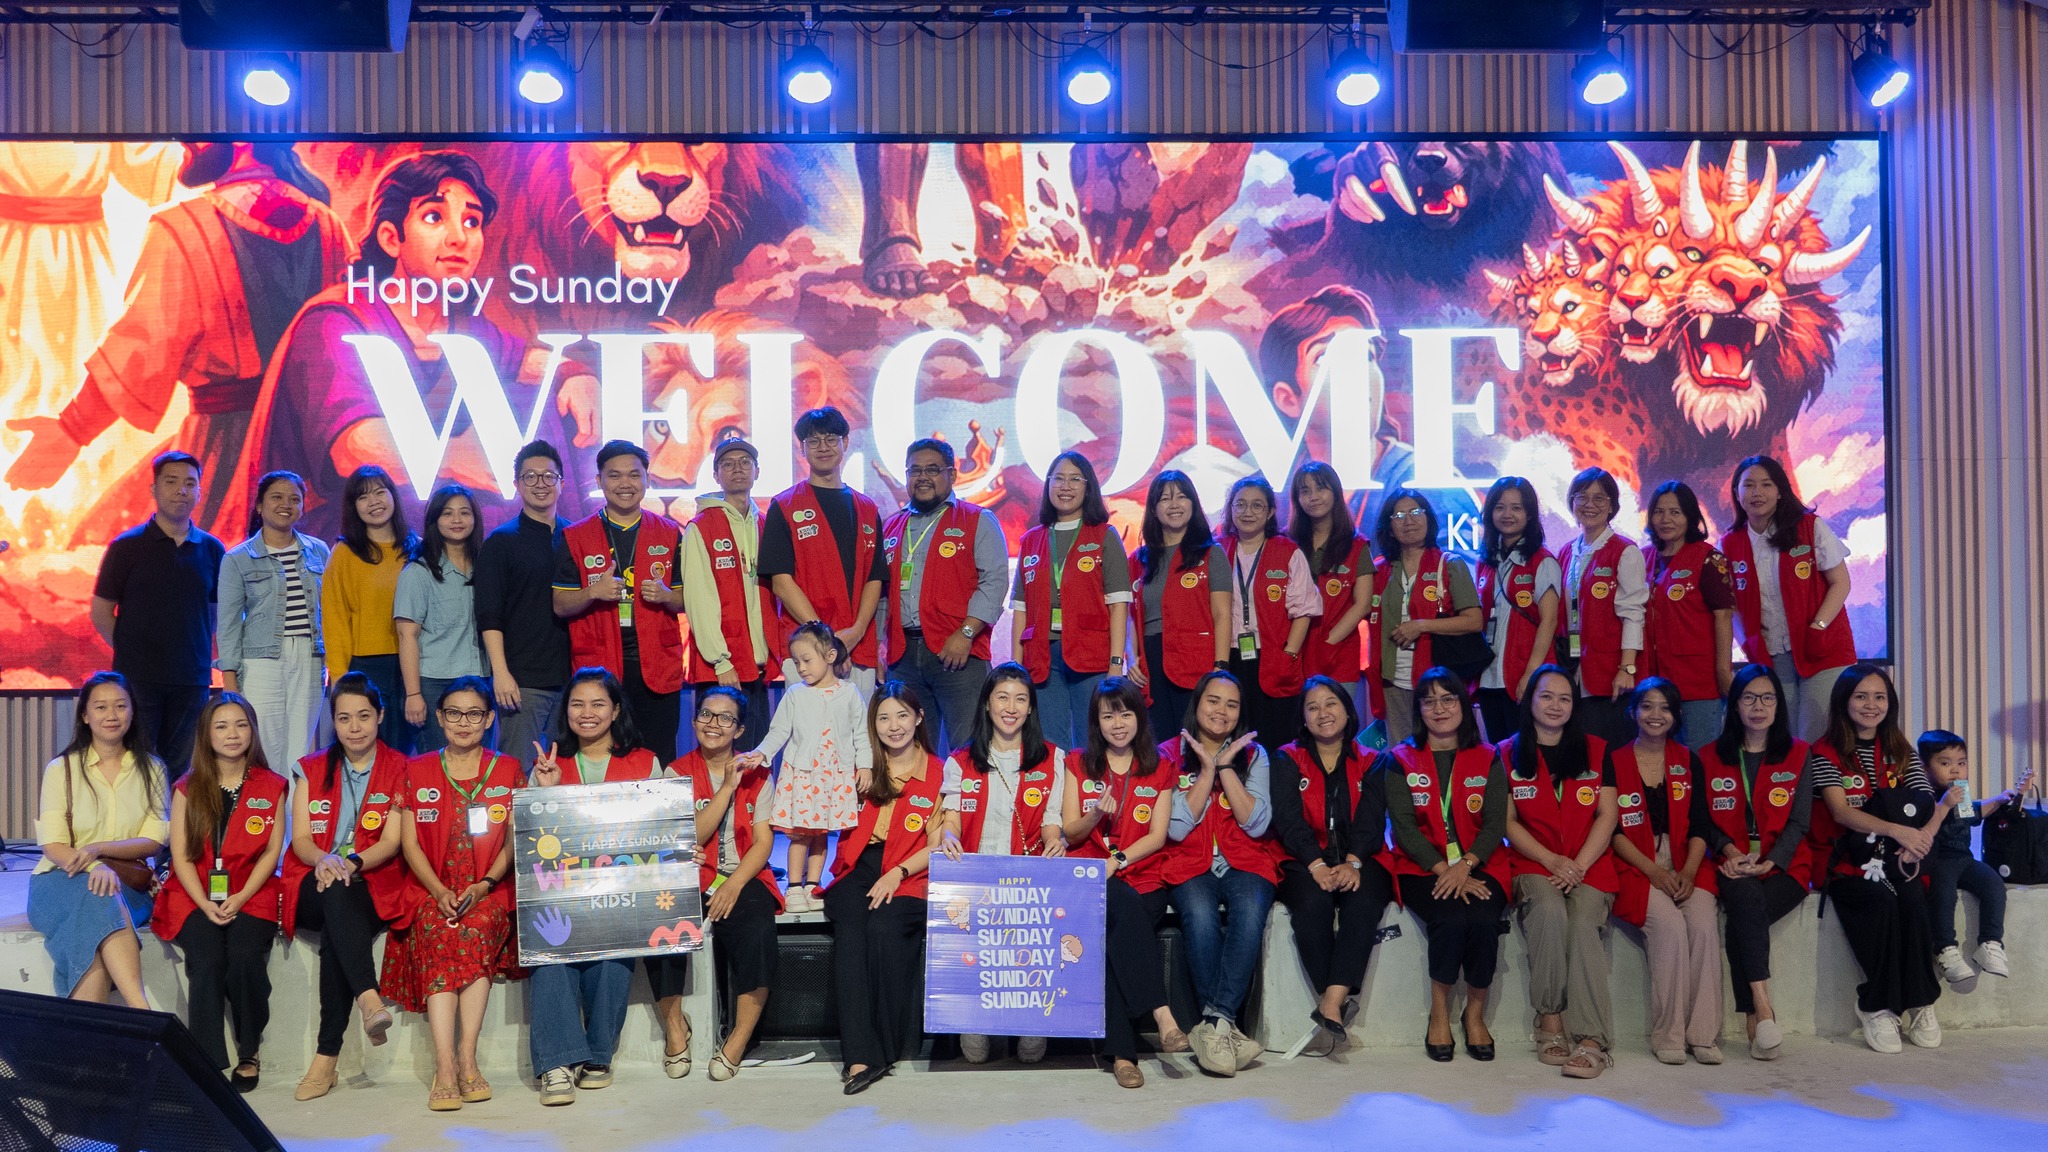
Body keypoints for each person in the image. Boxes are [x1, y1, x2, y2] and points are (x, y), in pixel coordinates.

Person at [4, 142, 353, 538]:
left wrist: (72, 429)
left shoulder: (182, 228)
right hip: (313, 457)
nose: (184, 141)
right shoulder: (330, 225)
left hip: (224, 456)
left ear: (240, 141)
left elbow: (141, 351)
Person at [245, 149, 592, 540]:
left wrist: (574, 375)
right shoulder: (336, 319)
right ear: (391, 238)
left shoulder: (464, 325)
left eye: (472, 221)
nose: (459, 237)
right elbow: (352, 449)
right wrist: (459, 459)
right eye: (434, 217)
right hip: (353, 535)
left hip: (441, 526)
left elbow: (528, 361)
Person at [525, 668, 675, 1103]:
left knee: (614, 950)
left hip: (622, 894)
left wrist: (685, 854)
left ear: (615, 711)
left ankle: (597, 1055)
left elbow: (664, 829)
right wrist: (547, 791)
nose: (586, 713)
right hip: (561, 893)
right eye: (577, 704)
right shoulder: (549, 765)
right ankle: (555, 1064)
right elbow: (533, 842)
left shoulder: (646, 763)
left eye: (597, 704)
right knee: (549, 949)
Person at [383, 677, 522, 1111]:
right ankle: (445, 1065)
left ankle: (467, 1057)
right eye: (455, 713)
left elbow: (513, 841)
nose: (464, 722)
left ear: (489, 718)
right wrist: (438, 889)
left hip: (488, 889)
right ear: (441, 719)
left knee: (476, 927)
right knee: (438, 928)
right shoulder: (417, 769)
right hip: (431, 889)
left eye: (474, 714)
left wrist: (486, 884)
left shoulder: (508, 769)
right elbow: (409, 844)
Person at [281, 674, 409, 1101]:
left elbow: (391, 842)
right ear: (332, 721)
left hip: (371, 882)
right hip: (312, 880)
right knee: (335, 892)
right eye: (344, 718)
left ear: (381, 716)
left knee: (339, 923)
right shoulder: (310, 768)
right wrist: (325, 859)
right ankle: (369, 998)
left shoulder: (400, 767)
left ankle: (326, 1059)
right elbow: (301, 839)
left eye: (364, 716)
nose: (354, 728)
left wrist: (351, 862)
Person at [1061, 678, 1192, 1088]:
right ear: (1096, 722)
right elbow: (1070, 832)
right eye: (1108, 716)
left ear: (1139, 717)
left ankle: (1121, 1055)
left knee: (1115, 937)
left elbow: (1157, 835)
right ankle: (1162, 1014)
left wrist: (1117, 860)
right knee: (1118, 908)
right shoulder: (1078, 763)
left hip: (1144, 876)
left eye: (1125, 713)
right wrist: (1095, 816)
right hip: (1090, 878)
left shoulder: (1161, 767)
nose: (1117, 724)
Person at [1805, 664, 1943, 1053]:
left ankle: (1920, 1001)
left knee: (1913, 899)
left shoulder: (1901, 750)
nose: (1871, 705)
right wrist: (1899, 830)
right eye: (1861, 696)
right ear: (1843, 701)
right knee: (1879, 900)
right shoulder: (1824, 752)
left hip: (1898, 856)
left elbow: (1925, 802)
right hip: (1845, 858)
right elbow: (1841, 812)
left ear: (1890, 703)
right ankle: (1877, 1005)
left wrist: (1916, 841)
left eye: (1879, 697)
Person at [153, 692, 287, 1090]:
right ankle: (207, 1060)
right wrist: (204, 904)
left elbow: (272, 852)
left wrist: (240, 898)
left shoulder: (273, 785)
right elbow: (180, 855)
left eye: (241, 725)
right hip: (193, 892)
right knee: (207, 958)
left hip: (251, 890)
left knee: (245, 954)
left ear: (253, 731)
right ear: (206, 734)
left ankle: (249, 1051)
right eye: (222, 726)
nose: (232, 734)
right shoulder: (187, 787)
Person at [937, 662, 1066, 1065]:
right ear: (987, 704)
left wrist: (1055, 840)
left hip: (1027, 878)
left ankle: (1031, 1022)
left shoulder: (1052, 758)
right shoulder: (960, 761)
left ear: (1031, 708)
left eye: (1020, 699)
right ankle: (974, 1020)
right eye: (1002, 697)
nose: (1011, 707)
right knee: (979, 952)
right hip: (976, 878)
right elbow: (952, 819)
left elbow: (1051, 819)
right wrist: (948, 836)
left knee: (1028, 951)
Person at [1382, 668, 1510, 1063]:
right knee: (1451, 918)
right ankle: (1439, 1012)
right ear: (1419, 710)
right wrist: (1445, 870)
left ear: (1463, 705)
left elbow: (1495, 823)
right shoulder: (1400, 758)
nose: (1439, 708)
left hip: (1481, 863)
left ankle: (1475, 1013)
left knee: (1484, 920)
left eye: (1448, 698)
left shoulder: (1488, 755)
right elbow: (1403, 828)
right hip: (1422, 867)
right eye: (1429, 701)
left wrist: (1466, 865)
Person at [1499, 666, 1618, 1078]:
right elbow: (1507, 821)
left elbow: (1607, 814)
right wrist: (1552, 861)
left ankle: (1591, 1039)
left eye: (1565, 698)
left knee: (1583, 923)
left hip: (1590, 864)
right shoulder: (1506, 753)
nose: (1555, 705)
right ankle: (1549, 1019)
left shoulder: (1597, 750)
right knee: (1549, 911)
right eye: (1546, 696)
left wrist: (1578, 865)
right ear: (1530, 700)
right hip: (1534, 863)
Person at [826, 682, 945, 1095]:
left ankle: (887, 1047)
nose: (894, 726)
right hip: (860, 865)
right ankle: (860, 1056)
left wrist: (898, 872)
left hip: (912, 869)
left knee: (884, 929)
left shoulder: (940, 772)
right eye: (883, 718)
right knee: (851, 933)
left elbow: (938, 844)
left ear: (919, 717)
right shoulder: (862, 766)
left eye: (902, 715)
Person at [1155, 670, 1275, 1077]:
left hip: (1246, 860)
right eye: (1213, 700)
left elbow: (1256, 824)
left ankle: (1214, 1022)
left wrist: (1226, 767)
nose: (1221, 711)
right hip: (1188, 861)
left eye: (1232, 704)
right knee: (1201, 915)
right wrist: (1206, 771)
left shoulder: (1254, 755)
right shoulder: (1167, 754)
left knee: (1251, 911)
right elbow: (1175, 828)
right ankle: (1225, 1027)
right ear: (1197, 703)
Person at [28, 672, 168, 1008]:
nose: (112, 715)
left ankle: (85, 1038)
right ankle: (141, 1010)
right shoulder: (61, 768)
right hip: (60, 879)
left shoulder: (153, 769)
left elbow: (154, 840)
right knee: (97, 899)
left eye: (121, 706)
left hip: (128, 884)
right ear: (85, 715)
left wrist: (98, 851)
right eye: (101, 707)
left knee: (94, 914)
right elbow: (53, 845)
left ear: (132, 711)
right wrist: (94, 867)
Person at [1270, 676, 1396, 1040]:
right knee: (1312, 904)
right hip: (1301, 858)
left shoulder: (1373, 760)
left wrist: (1353, 862)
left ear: (1348, 710)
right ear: (1303, 718)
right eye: (1312, 707)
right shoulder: (1287, 758)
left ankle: (1330, 1001)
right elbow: (1288, 820)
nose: (1322, 713)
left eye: (1331, 704)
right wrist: (1316, 864)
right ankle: (1337, 999)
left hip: (1362, 857)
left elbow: (1372, 820)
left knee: (1364, 902)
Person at [1698, 664, 1812, 1061]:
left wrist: (1772, 861)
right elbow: (1703, 821)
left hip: (1787, 866)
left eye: (1767, 698)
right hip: (1729, 864)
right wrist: (1729, 851)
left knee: (1746, 913)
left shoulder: (1799, 753)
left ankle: (1754, 1012)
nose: (1758, 707)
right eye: (1748, 698)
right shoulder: (1709, 756)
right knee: (1745, 898)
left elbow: (1800, 821)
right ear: (1734, 705)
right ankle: (1764, 1010)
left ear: (1779, 705)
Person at [669, 686, 783, 1081]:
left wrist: (733, 884)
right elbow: (692, 836)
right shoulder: (675, 773)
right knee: (661, 925)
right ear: (694, 720)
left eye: (725, 718)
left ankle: (737, 1039)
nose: (713, 723)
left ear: (740, 730)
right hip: (691, 873)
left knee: (758, 930)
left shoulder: (760, 773)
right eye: (706, 714)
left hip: (742, 873)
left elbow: (763, 842)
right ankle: (675, 1030)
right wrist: (728, 788)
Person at [1607, 678, 1723, 1065]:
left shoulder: (1689, 760)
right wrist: (1653, 871)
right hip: (1634, 864)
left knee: (1702, 924)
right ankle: (1669, 1035)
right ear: (1633, 712)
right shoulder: (1614, 761)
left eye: (1665, 708)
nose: (1656, 715)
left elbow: (1701, 825)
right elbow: (1613, 831)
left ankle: (1703, 1035)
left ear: (1676, 716)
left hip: (1688, 860)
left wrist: (1688, 871)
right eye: (1647, 706)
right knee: (1670, 927)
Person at [92, 450, 226, 777]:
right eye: (171, 482)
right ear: (154, 488)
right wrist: (131, 650)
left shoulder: (212, 549)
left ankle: (175, 816)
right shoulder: (126, 546)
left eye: (190, 484)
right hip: (138, 679)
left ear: (199, 491)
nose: (181, 490)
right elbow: (101, 612)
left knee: (183, 771)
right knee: (136, 767)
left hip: (191, 680)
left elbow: (214, 614)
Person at [553, 440, 688, 760]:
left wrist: (666, 596)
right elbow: (560, 604)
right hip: (600, 667)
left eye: (634, 475)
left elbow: (685, 600)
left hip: (657, 666)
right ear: (599, 481)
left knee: (659, 756)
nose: (625, 483)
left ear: (647, 480)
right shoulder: (576, 536)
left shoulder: (670, 532)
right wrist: (592, 592)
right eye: (614, 475)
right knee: (602, 756)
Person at [881, 438, 1010, 750]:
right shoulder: (891, 526)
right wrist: (878, 646)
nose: (923, 477)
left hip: (958, 654)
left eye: (932, 470)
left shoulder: (977, 519)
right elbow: (881, 593)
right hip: (903, 657)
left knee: (969, 748)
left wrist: (965, 633)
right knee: (909, 750)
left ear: (952, 474)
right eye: (915, 471)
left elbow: (994, 581)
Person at [1721, 455, 1857, 743]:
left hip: (1823, 649)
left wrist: (1818, 627)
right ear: (1737, 492)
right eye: (1749, 485)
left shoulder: (1809, 527)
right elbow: (1731, 608)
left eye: (1766, 484)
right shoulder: (1729, 544)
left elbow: (1841, 582)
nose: (1757, 493)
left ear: (1780, 491)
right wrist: (1748, 644)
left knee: (1818, 736)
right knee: (1785, 739)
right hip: (1773, 655)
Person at [739, 622, 872, 912]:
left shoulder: (850, 693)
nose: (801, 668)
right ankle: (794, 887)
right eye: (796, 662)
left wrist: (865, 766)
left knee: (821, 833)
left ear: (830, 656)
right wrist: (761, 753)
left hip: (834, 775)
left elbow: (861, 734)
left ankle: (813, 884)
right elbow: (778, 731)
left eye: (807, 660)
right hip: (803, 774)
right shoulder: (795, 694)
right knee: (800, 833)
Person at [1013, 451, 1133, 748]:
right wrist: (1015, 667)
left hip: (1091, 656)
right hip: (1041, 658)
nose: (1065, 486)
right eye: (1059, 479)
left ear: (1088, 486)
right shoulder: (1031, 540)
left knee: (1091, 742)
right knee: (1050, 743)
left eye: (1075, 479)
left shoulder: (1104, 535)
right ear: (1048, 485)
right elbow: (1020, 610)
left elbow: (1119, 605)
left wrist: (1115, 664)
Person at [761, 406, 887, 692]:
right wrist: (828, 641)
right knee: (808, 721)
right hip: (807, 646)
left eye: (831, 439)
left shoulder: (867, 508)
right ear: (802, 448)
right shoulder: (785, 506)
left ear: (845, 442)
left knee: (859, 721)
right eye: (814, 441)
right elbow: (781, 583)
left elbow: (874, 578)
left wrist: (854, 634)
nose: (823, 447)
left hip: (858, 646)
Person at [218, 470, 328, 763]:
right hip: (260, 662)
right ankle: (269, 797)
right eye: (277, 497)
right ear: (259, 505)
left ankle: (296, 797)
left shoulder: (318, 551)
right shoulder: (237, 558)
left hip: (310, 658)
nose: (286, 504)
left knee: (301, 749)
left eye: (294, 499)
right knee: (264, 746)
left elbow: (330, 611)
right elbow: (228, 625)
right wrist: (230, 679)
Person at [476, 440, 572, 772]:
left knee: (567, 777)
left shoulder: (575, 536)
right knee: (517, 773)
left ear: (562, 483)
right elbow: (489, 615)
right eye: (530, 476)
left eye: (549, 476)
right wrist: (501, 674)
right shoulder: (501, 541)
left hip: (573, 680)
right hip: (523, 682)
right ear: (516, 484)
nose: (540, 483)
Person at [681, 434, 776, 751]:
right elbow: (699, 600)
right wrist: (721, 661)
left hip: (757, 665)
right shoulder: (701, 527)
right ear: (715, 475)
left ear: (757, 471)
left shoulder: (765, 524)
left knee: (754, 755)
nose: (737, 469)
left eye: (745, 462)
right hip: (722, 668)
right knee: (720, 756)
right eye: (728, 464)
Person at [1366, 488, 1483, 745]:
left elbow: (1474, 620)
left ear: (1428, 518)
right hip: (1392, 681)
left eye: (1415, 512)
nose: (1408, 521)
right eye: (1399, 516)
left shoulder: (1449, 563)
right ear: (1389, 527)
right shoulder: (1380, 570)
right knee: (1400, 755)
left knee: (1443, 750)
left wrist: (1421, 626)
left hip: (1437, 682)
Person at [1222, 475, 1319, 760]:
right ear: (1230, 509)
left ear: (1271, 512)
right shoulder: (1217, 550)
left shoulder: (1287, 551)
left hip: (1275, 659)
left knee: (1277, 742)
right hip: (1230, 658)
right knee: (1234, 740)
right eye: (1240, 504)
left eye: (1257, 505)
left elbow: (1304, 610)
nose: (1248, 512)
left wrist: (1289, 653)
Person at [324, 465, 420, 753]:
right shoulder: (344, 553)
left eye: (380, 492)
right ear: (353, 506)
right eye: (363, 497)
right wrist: (339, 679)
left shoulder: (417, 549)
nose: (374, 502)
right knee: (368, 752)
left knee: (407, 752)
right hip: (366, 667)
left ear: (393, 495)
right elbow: (335, 619)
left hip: (415, 663)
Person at [1129, 470, 1229, 742]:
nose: (1174, 505)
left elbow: (1222, 614)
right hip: (1151, 660)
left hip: (1196, 659)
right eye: (1165, 499)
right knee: (1158, 742)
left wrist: (1220, 666)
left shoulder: (1211, 553)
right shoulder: (1138, 559)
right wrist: (1131, 656)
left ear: (1194, 503)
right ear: (1153, 509)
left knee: (1196, 741)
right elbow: (1129, 617)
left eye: (1182, 497)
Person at [1919, 729, 2021, 984]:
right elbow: (1924, 826)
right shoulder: (1924, 794)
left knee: (1994, 884)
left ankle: (1990, 943)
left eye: (1961, 763)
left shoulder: (1960, 792)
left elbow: (1974, 812)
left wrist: (1998, 800)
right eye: (1945, 764)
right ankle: (1944, 949)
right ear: (1925, 767)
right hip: (1937, 859)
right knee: (1943, 893)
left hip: (1964, 858)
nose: (1955, 770)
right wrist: (1944, 804)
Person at [1639, 481, 1736, 748]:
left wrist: (1723, 671)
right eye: (1659, 512)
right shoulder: (1641, 559)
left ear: (1690, 516)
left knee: (1699, 759)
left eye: (1675, 512)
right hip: (1652, 685)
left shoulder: (1709, 559)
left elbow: (1723, 617)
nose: (1666, 519)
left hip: (1698, 683)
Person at [1556, 467, 1647, 748]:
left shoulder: (1625, 551)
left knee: (1609, 753)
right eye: (1582, 497)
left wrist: (1626, 668)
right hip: (1572, 670)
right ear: (1572, 502)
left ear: (1612, 506)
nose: (1590, 505)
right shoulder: (1567, 551)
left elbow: (1633, 615)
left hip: (1609, 673)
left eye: (1599, 498)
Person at [397, 484, 488, 753]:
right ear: (434, 520)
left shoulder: (486, 566)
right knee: (439, 764)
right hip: (434, 684)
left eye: (464, 512)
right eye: (447, 513)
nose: (457, 520)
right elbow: (406, 635)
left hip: (480, 680)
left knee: (479, 761)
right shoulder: (418, 571)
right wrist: (414, 694)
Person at [1473, 476, 1560, 744]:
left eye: (1516, 508)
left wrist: (1531, 673)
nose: (1507, 514)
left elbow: (1549, 621)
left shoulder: (1542, 561)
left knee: (1526, 751)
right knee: (1499, 751)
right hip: (1489, 677)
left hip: (1525, 675)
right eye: (1499, 507)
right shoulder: (1486, 562)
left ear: (1529, 514)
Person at [1289, 463, 1372, 717]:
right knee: (1299, 728)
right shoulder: (1286, 543)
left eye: (1320, 488)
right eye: (1305, 491)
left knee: (1335, 724)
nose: (1313, 497)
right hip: (1293, 653)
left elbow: (1363, 603)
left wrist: (1329, 642)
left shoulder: (1357, 545)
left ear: (1335, 492)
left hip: (1339, 653)